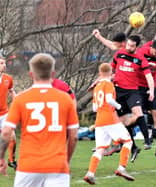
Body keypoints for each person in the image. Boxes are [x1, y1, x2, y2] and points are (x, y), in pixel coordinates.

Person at [0, 53, 79, 187]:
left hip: (28, 166)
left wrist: (1, 157)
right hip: (57, 166)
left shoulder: (21, 99)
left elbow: (6, 133)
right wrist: (66, 160)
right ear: (53, 73)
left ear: (31, 74)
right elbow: (74, 136)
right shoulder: (65, 99)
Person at [83, 63, 134, 184]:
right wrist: (119, 106)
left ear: (100, 74)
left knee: (100, 149)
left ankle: (90, 173)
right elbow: (109, 99)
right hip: (110, 118)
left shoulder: (97, 86)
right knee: (128, 141)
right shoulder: (109, 84)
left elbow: (95, 107)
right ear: (111, 73)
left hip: (99, 120)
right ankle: (121, 168)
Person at [111, 35, 154, 162]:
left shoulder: (140, 59)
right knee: (123, 122)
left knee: (138, 113)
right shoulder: (119, 54)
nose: (129, 47)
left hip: (132, 92)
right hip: (118, 91)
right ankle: (134, 147)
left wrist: (151, 90)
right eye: (128, 44)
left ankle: (147, 140)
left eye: (132, 45)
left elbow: (149, 76)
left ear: (137, 46)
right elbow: (110, 70)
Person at [0, 56, 17, 170]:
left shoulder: (8, 78)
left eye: (4, 63)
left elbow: (12, 91)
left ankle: (11, 160)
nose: (4, 65)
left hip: (4, 113)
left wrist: (16, 102)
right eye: (1, 63)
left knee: (12, 137)